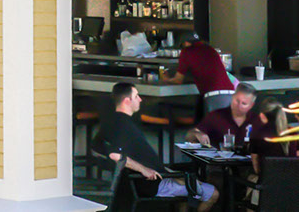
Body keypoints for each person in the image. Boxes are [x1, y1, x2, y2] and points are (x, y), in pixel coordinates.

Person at [92, 82, 218, 212]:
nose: (140, 99)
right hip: (153, 183)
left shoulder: (112, 121)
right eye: (136, 96)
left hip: (150, 179)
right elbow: (115, 155)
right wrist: (144, 169)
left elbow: (97, 149)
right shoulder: (122, 125)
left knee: (188, 187)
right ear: (127, 101)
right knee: (213, 194)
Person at [160, 33, 237, 112]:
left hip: (214, 95)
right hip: (231, 93)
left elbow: (178, 80)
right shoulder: (210, 49)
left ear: (185, 43)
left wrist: (166, 79)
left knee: (215, 120)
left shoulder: (187, 52)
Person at [188, 83, 257, 147]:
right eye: (237, 101)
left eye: (244, 103)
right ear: (232, 97)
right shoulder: (216, 116)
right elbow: (189, 136)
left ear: (251, 105)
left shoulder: (256, 120)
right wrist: (197, 134)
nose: (238, 106)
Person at [248, 97, 289, 173]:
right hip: (291, 179)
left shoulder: (257, 134)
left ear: (262, 115)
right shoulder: (292, 132)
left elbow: (256, 166)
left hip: (267, 179)